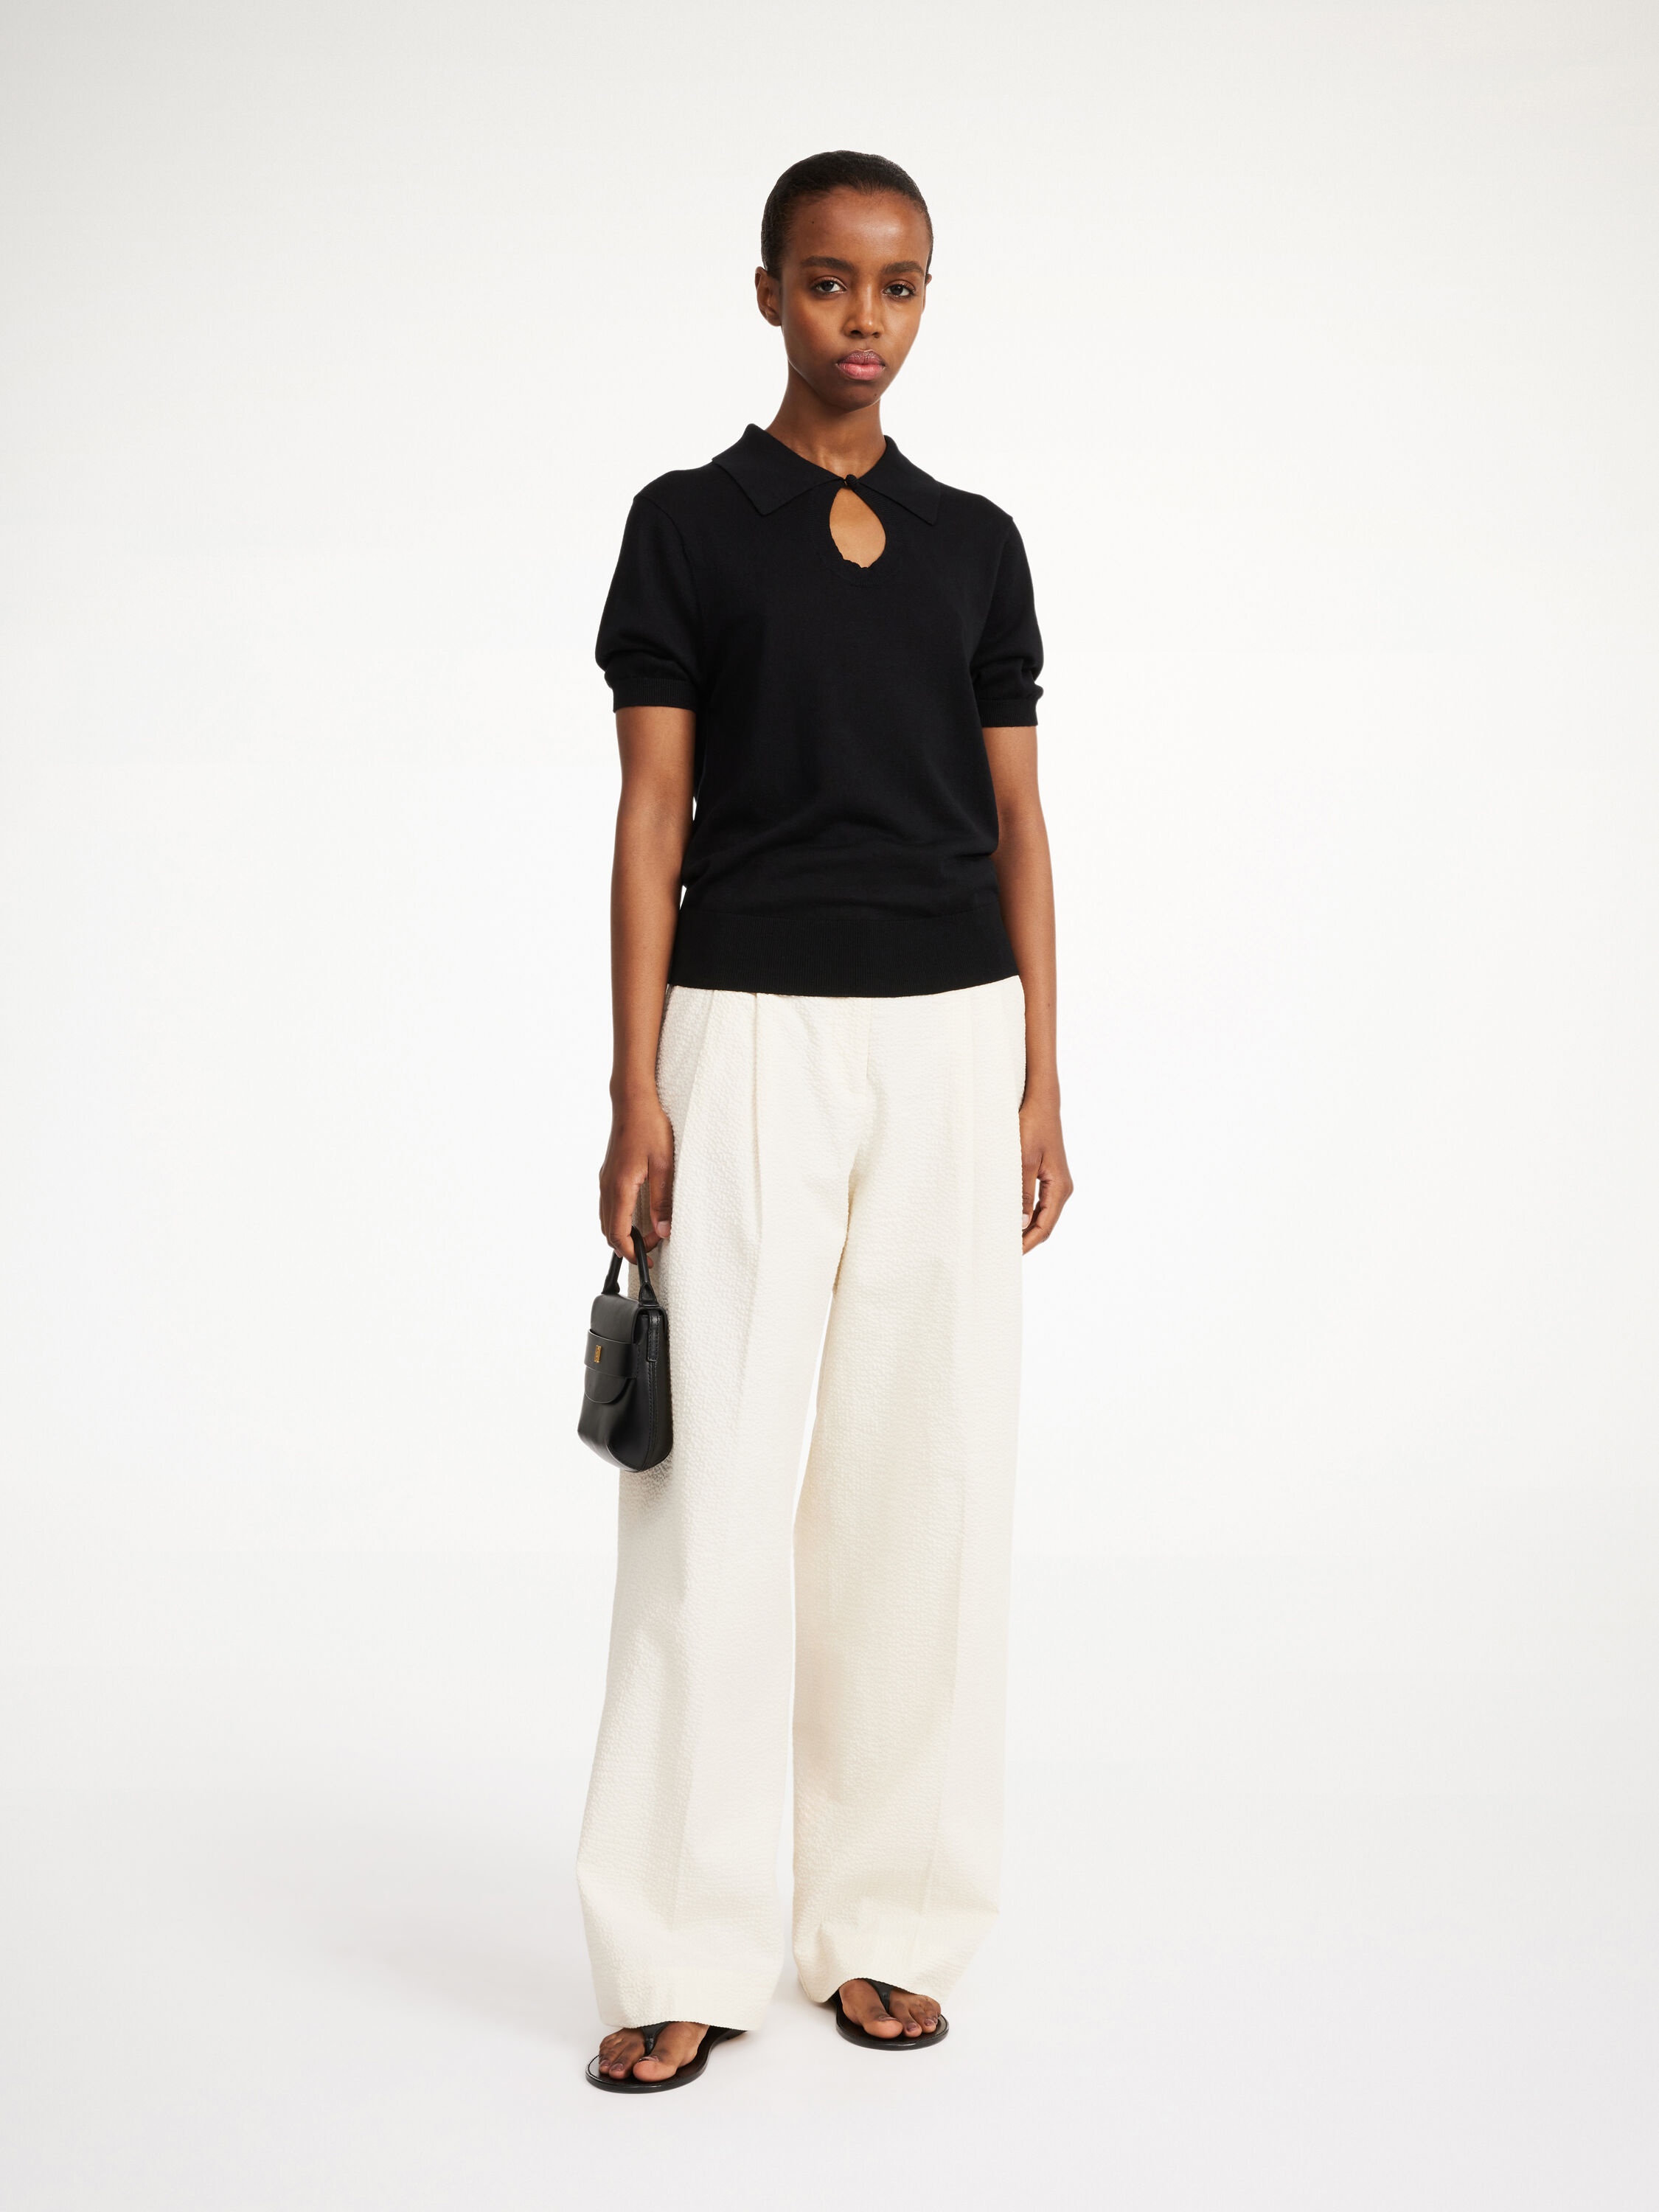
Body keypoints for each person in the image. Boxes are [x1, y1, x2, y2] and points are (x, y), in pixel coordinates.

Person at [578, 149, 1072, 2092]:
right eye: (830, 280)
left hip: (951, 1038)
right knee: (707, 1493)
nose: (865, 318)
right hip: (747, 1032)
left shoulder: (976, 543)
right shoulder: (688, 527)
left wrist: (1041, 1070)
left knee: (918, 1485)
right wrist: (634, 1084)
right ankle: (673, 1945)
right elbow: (651, 816)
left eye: (899, 285)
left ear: (925, 300)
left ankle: (886, 1924)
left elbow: (1019, 818)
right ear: (770, 291)